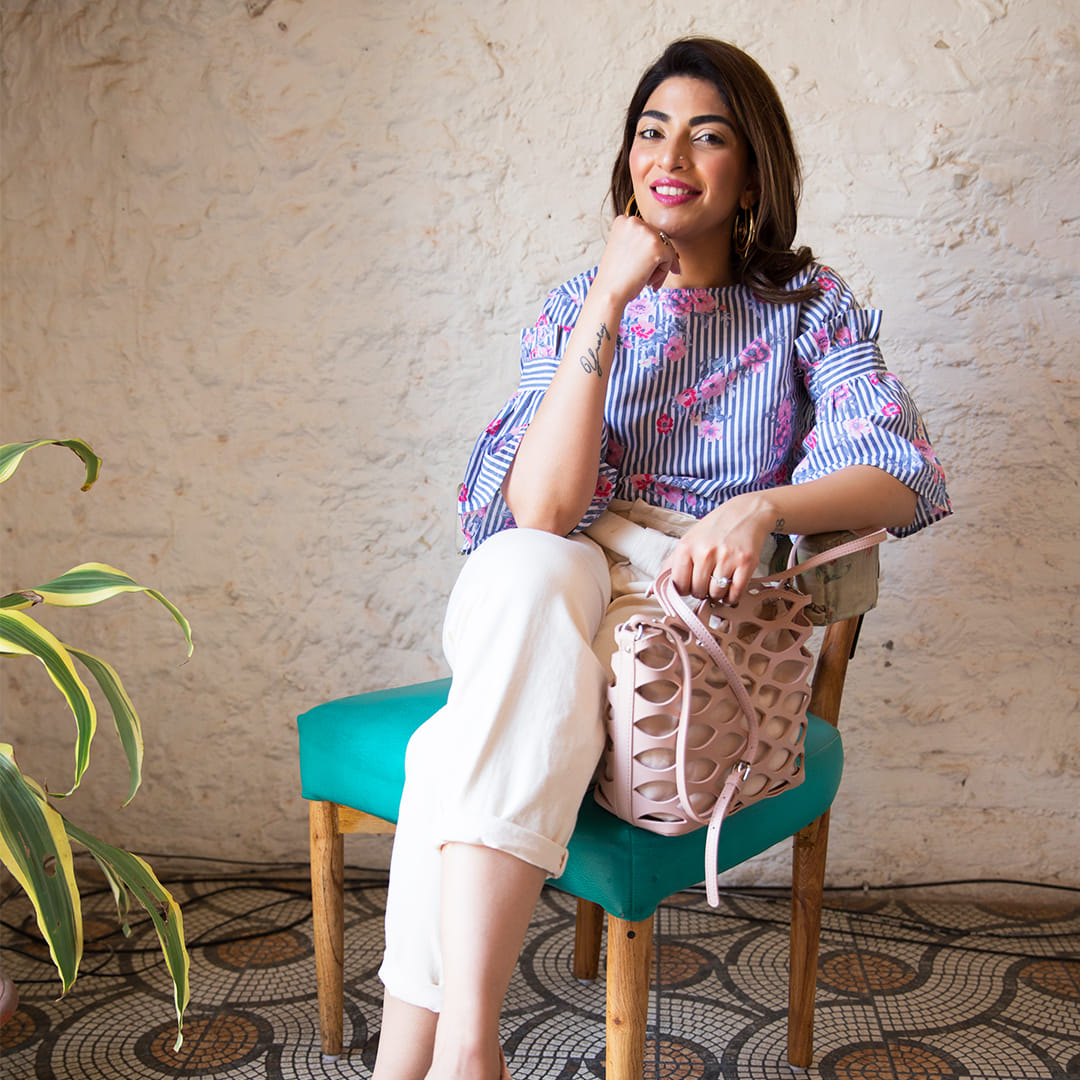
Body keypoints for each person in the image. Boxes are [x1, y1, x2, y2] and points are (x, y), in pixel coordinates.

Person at [372, 37, 951, 1080]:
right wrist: (608, 299)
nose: (670, 152)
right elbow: (542, 508)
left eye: (707, 133)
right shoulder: (576, 305)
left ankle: (417, 1060)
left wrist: (758, 504)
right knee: (522, 568)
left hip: (684, 612)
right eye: (651, 129)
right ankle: (469, 1046)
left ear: (750, 172)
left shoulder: (805, 309)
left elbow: (899, 473)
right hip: (563, 582)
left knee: (447, 752)